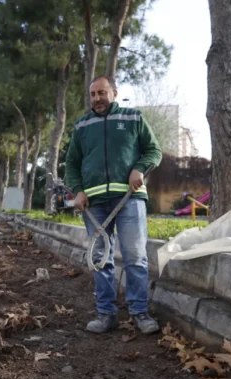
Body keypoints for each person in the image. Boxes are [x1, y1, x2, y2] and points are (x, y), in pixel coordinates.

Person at [64, 75, 163, 335]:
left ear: (114, 93)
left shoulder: (133, 119)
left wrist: (140, 169)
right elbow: (71, 164)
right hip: (94, 204)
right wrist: (78, 191)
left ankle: (140, 313)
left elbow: (154, 150)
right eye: (93, 94)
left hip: (129, 200)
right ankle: (106, 314)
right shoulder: (82, 126)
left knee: (135, 257)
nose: (97, 99)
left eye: (102, 93)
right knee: (100, 259)